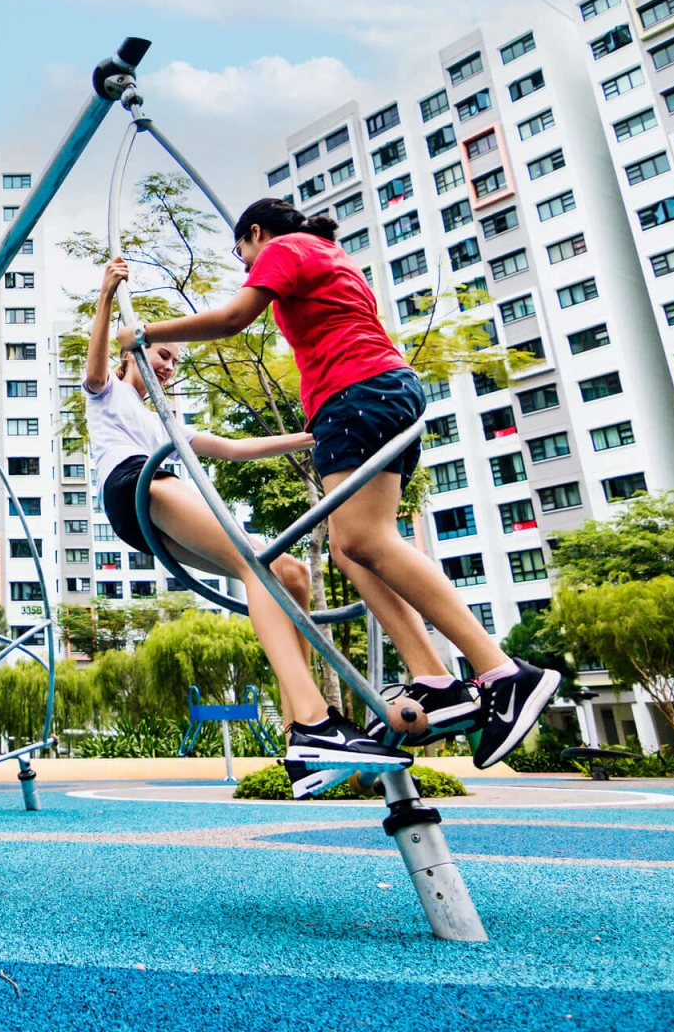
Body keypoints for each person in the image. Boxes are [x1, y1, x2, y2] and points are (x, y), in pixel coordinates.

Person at [116, 199, 561, 772]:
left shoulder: (283, 248)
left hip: (356, 395)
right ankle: (436, 679)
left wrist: (142, 333)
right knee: (354, 548)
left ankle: (502, 671)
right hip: (373, 394)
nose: (247, 263)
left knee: (369, 542)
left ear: (254, 233)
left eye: (240, 252)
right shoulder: (332, 256)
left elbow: (231, 321)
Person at [86, 255, 410, 796]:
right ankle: (313, 723)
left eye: (173, 362)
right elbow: (97, 370)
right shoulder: (111, 394)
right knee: (256, 567)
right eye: (162, 354)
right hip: (133, 485)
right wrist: (105, 297)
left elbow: (234, 449)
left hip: (158, 491)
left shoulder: (168, 421)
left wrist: (317, 434)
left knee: (290, 574)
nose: (168, 366)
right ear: (134, 352)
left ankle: (301, 733)